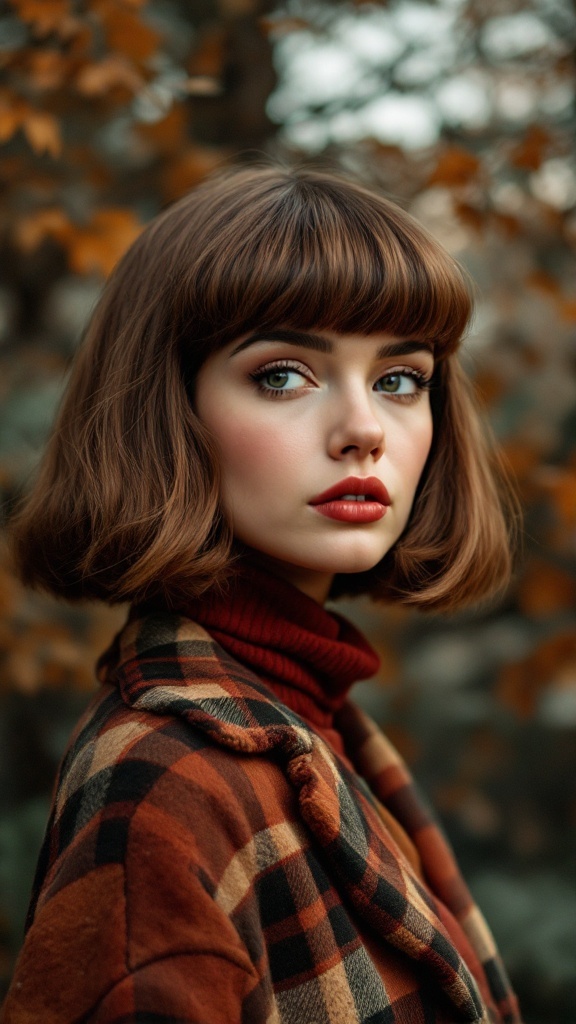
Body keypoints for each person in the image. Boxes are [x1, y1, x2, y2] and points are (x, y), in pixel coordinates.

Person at [2, 166, 522, 1024]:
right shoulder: (161, 778)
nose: (364, 428)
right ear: (170, 410)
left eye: (401, 379)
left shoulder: (313, 718)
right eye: (283, 375)